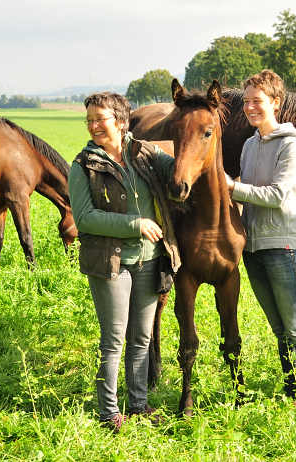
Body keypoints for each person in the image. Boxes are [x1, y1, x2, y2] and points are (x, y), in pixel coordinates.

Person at [68, 92, 179, 433]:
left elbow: (180, 168)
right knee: (114, 339)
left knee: (141, 338)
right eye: (89, 119)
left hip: (149, 261)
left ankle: (139, 404)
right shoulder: (84, 164)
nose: (93, 125)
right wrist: (136, 224)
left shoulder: (145, 154)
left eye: (99, 118)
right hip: (111, 263)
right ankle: (108, 412)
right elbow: (84, 218)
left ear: (120, 121)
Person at [225, 69, 296, 407]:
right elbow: (242, 198)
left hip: (283, 247)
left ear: (276, 103)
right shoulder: (250, 145)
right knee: (279, 329)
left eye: (258, 101)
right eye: (247, 101)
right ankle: (292, 391)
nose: (251, 107)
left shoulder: (292, 144)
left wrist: (232, 186)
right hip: (253, 248)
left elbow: (277, 194)